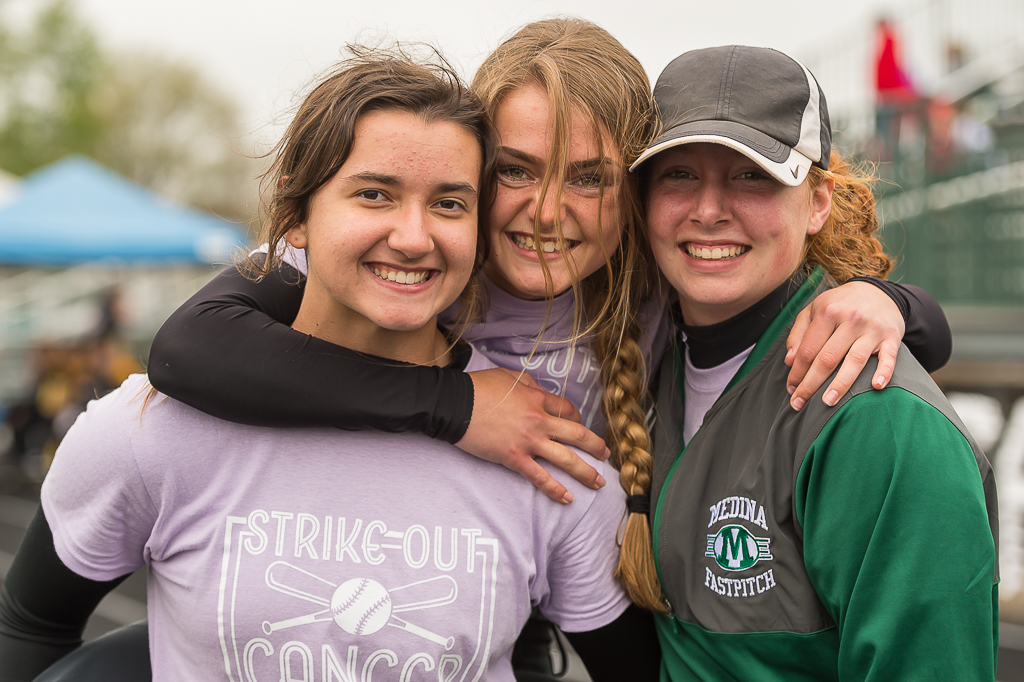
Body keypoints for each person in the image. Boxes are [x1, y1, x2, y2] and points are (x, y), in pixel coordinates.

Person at [144, 18, 952, 677]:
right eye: (516, 170)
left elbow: (915, 329)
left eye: (590, 178)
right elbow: (188, 347)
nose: (545, 211)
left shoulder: (653, 283)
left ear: (633, 192)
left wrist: (886, 300)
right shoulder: (415, 264)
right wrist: (457, 407)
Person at [0, 49, 661, 682]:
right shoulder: (149, 431)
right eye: (374, 194)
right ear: (296, 216)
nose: (412, 236)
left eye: (449, 203)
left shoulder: (554, 451)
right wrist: (452, 404)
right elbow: (28, 623)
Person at [632, 45, 998, 680]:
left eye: (752, 176)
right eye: (679, 175)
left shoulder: (879, 420)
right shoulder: (640, 351)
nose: (710, 209)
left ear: (820, 200)